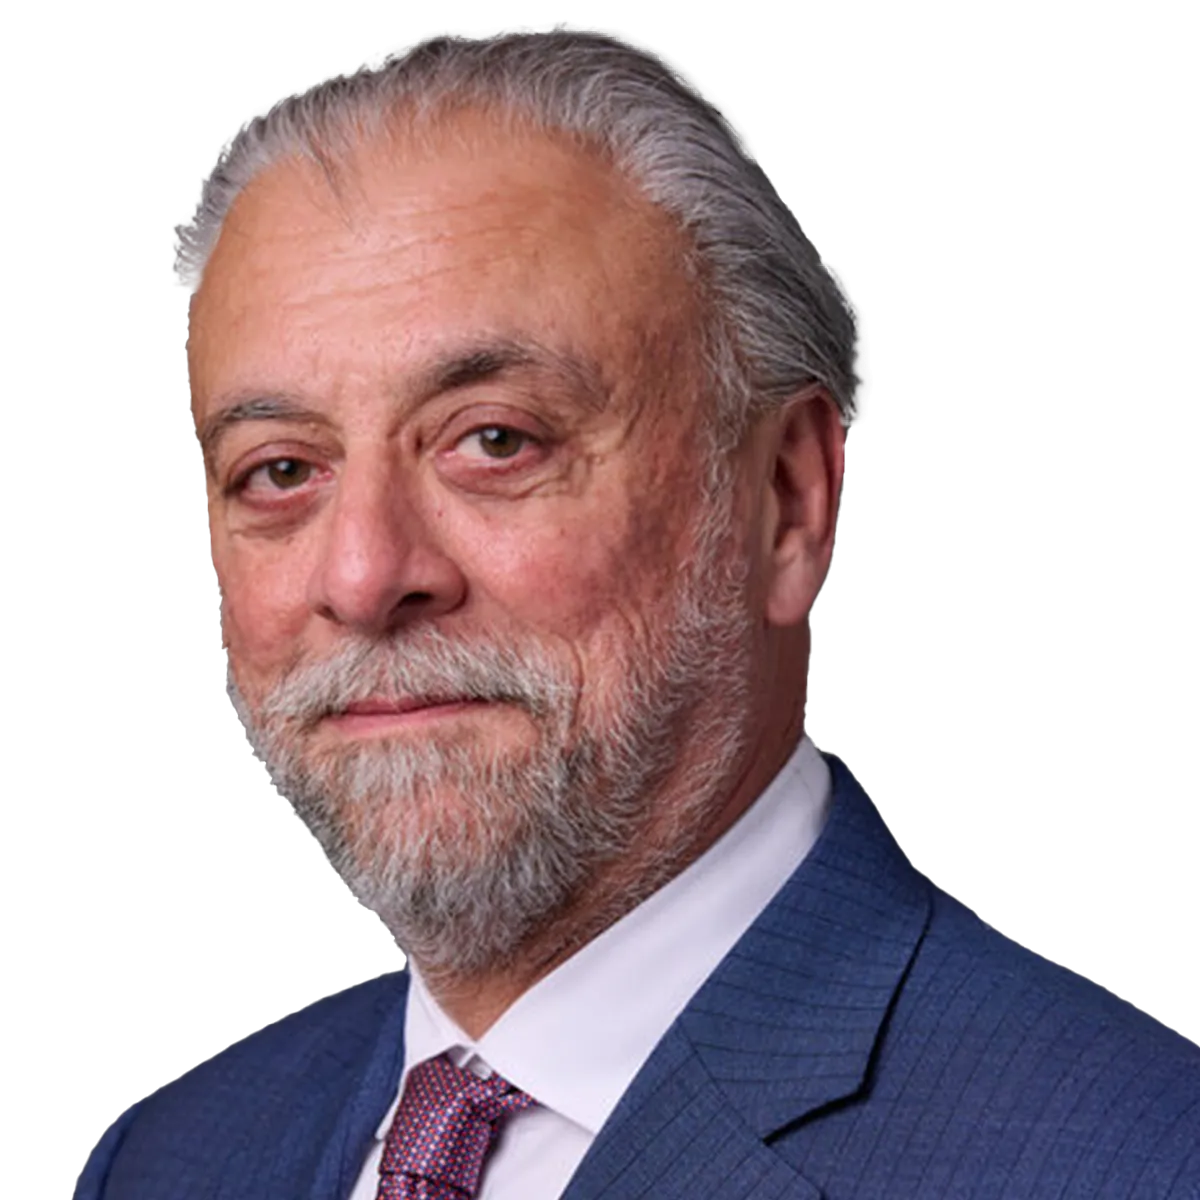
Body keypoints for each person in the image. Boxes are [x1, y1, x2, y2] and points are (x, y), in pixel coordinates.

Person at [81, 28, 1196, 1200]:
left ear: (784, 503)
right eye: (279, 470)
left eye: (495, 441)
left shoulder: (1141, 1162)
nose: (363, 577)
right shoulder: (171, 1159)